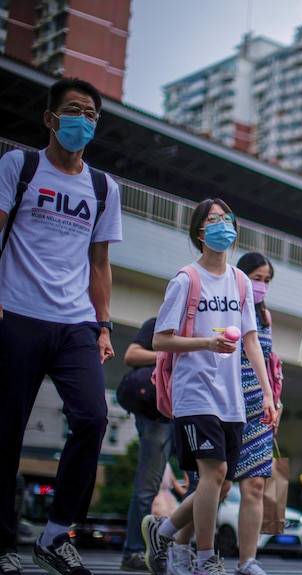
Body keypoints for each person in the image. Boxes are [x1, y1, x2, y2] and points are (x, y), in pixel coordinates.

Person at [0, 77, 123, 575]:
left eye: (91, 114)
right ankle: (3, 542)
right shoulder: (19, 166)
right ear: (51, 119)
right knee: (7, 432)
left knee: (93, 417)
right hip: (18, 313)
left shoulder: (101, 187)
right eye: (74, 110)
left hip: (75, 321)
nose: (84, 120)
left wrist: (104, 324)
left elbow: (100, 265)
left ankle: (55, 536)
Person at [141, 199, 276, 575]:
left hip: (230, 398)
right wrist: (206, 344)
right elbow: (161, 340)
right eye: (213, 220)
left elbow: (251, 340)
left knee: (221, 485)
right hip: (195, 392)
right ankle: (205, 560)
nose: (223, 225)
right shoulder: (186, 279)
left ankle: (163, 532)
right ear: (200, 231)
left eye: (227, 219)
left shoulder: (241, 281)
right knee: (213, 475)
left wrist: (266, 393)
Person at [228, 252, 283, 575]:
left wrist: (275, 401)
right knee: (216, 485)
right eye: (256, 278)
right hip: (225, 403)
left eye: (266, 281)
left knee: (256, 487)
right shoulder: (227, 307)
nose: (261, 286)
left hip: (260, 409)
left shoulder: (266, 316)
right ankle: (175, 539)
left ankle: (247, 562)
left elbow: (270, 363)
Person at [121, 317, 177, 572]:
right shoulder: (160, 323)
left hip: (194, 410)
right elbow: (131, 355)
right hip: (159, 415)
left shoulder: (211, 325)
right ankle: (134, 551)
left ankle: (181, 549)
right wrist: (170, 354)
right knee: (148, 486)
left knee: (202, 483)